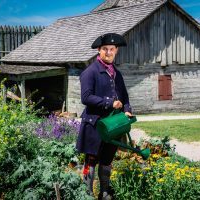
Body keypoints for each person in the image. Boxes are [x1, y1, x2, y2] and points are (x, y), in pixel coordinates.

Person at [76, 33, 132, 200]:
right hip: (94, 125)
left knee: (107, 160)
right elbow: (85, 97)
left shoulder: (117, 74)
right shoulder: (90, 72)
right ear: (99, 51)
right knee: (91, 161)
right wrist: (109, 102)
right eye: (105, 49)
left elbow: (125, 97)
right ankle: (87, 195)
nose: (109, 52)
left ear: (116, 51)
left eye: (112, 49)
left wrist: (127, 110)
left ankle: (104, 192)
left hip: (112, 126)